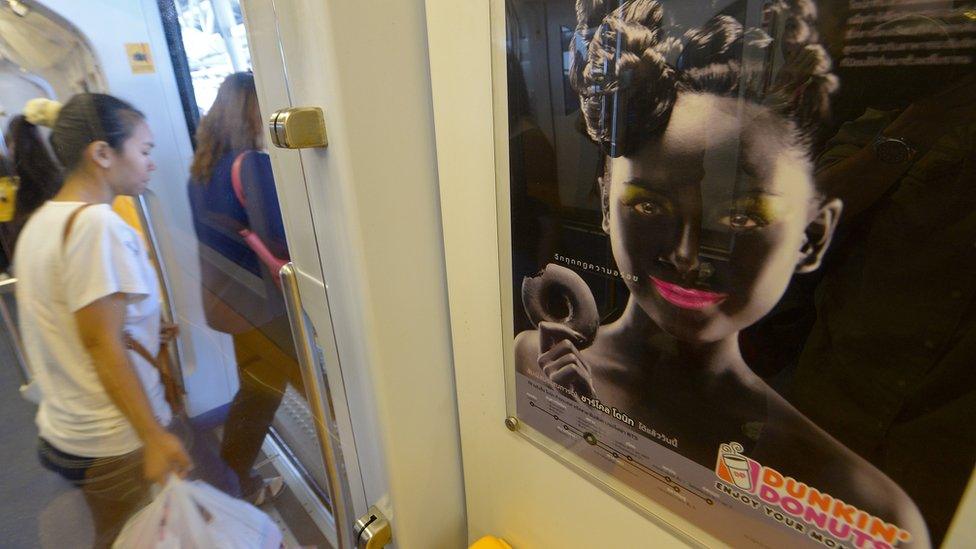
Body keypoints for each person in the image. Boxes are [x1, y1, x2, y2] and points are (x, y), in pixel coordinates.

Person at [513, 1, 930, 544]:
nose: (687, 255)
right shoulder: (539, 365)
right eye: (647, 206)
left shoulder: (864, 507)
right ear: (604, 199)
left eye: (739, 217)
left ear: (813, 235)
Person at [14, 93, 235, 547]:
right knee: (157, 527)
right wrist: (153, 437)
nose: (151, 163)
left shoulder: (43, 222)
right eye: (144, 150)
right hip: (116, 439)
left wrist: (149, 330)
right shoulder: (99, 227)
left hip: (70, 430)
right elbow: (100, 344)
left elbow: (78, 326)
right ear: (101, 154)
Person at [188, 72, 300, 504]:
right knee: (319, 392)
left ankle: (231, 482)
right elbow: (281, 238)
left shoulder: (200, 169)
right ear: (252, 111)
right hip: (263, 305)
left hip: (227, 301)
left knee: (257, 392)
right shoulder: (251, 165)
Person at [0, 112, 64, 261]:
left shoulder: (6, 174)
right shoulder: (56, 173)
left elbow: (6, 220)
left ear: (11, 145)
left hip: (27, 250)